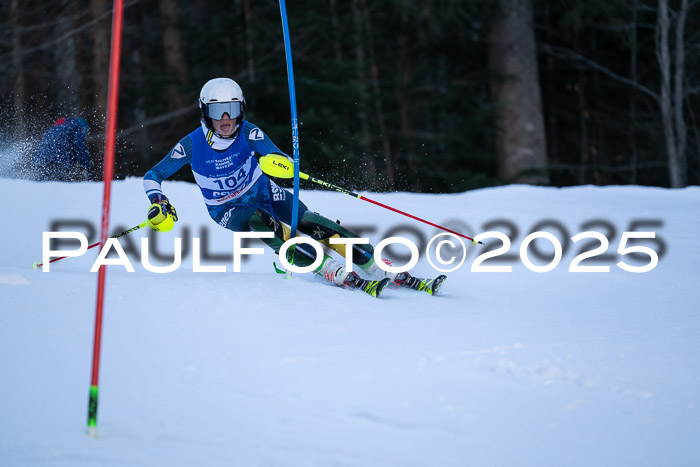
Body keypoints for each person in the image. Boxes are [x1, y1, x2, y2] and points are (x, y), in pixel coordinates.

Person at [143, 77, 429, 294]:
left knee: (313, 223)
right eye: (218, 112)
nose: (226, 120)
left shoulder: (249, 131)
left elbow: (275, 155)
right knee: (263, 222)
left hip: (264, 190)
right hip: (228, 208)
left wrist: (283, 163)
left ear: (240, 109)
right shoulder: (191, 145)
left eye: (231, 110)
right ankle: (327, 268)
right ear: (205, 112)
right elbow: (153, 175)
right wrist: (159, 201)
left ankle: (378, 266)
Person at [32, 117, 90, 181]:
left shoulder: (53, 129)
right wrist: (85, 166)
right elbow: (79, 146)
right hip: (57, 161)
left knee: (42, 186)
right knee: (57, 186)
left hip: (39, 161)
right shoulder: (77, 128)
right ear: (83, 128)